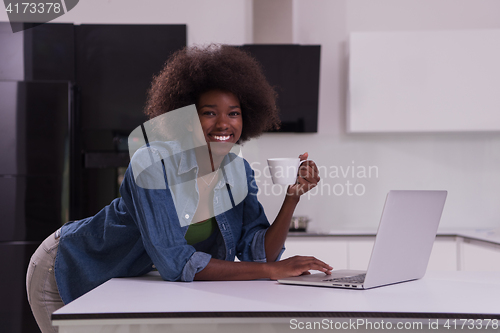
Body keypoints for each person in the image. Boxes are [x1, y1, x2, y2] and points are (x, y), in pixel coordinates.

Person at [26, 44, 331, 333]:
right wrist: (270, 272)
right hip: (69, 269)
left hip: (122, 283)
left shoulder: (238, 170)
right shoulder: (153, 163)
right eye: (210, 112)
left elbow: (259, 253)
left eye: (233, 113)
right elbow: (177, 263)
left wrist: (291, 199)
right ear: (187, 119)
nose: (224, 123)